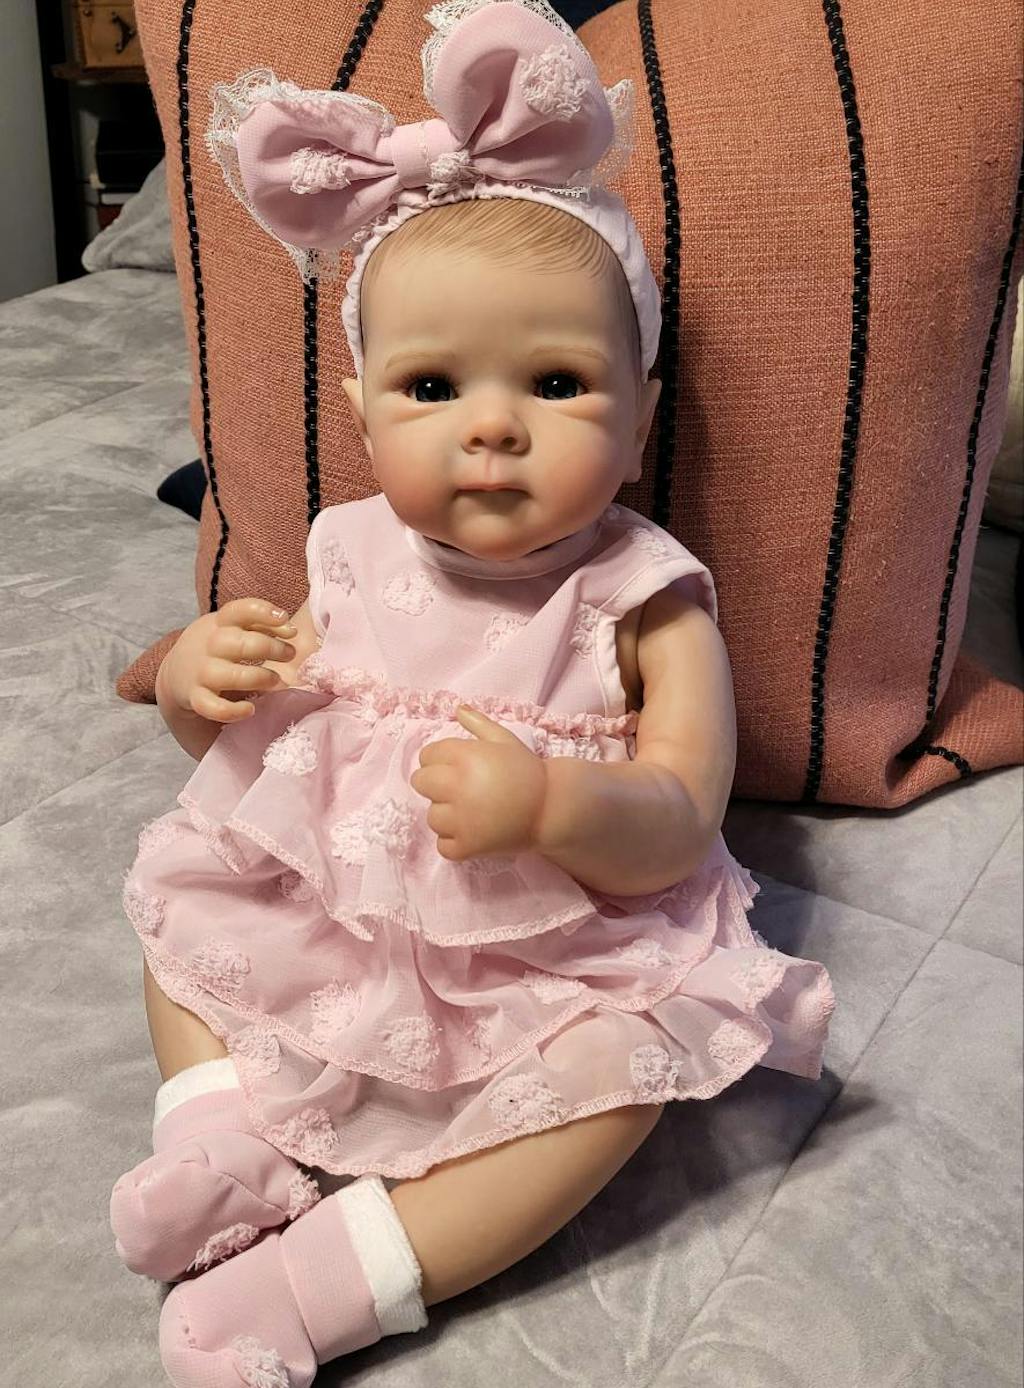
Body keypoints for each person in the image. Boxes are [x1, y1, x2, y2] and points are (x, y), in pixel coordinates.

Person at [111, 3, 836, 1382]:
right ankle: (215, 1144)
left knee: (627, 1083)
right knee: (186, 912)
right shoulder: (346, 548)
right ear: (362, 410)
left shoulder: (646, 594)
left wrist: (554, 802)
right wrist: (201, 691)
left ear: (640, 419)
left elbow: (685, 809)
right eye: (433, 384)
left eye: (555, 382)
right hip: (338, 893)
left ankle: (339, 1281)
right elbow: (255, 737)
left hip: (555, 946)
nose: (492, 425)